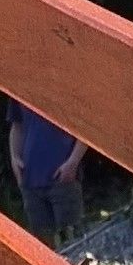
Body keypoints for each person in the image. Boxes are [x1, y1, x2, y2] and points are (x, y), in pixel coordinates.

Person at [7, 98, 87, 244]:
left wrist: (73, 162)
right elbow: (17, 125)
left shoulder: (68, 86)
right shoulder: (19, 86)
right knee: (42, 245)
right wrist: (14, 158)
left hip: (63, 179)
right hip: (30, 181)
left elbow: (87, 127)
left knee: (73, 242)